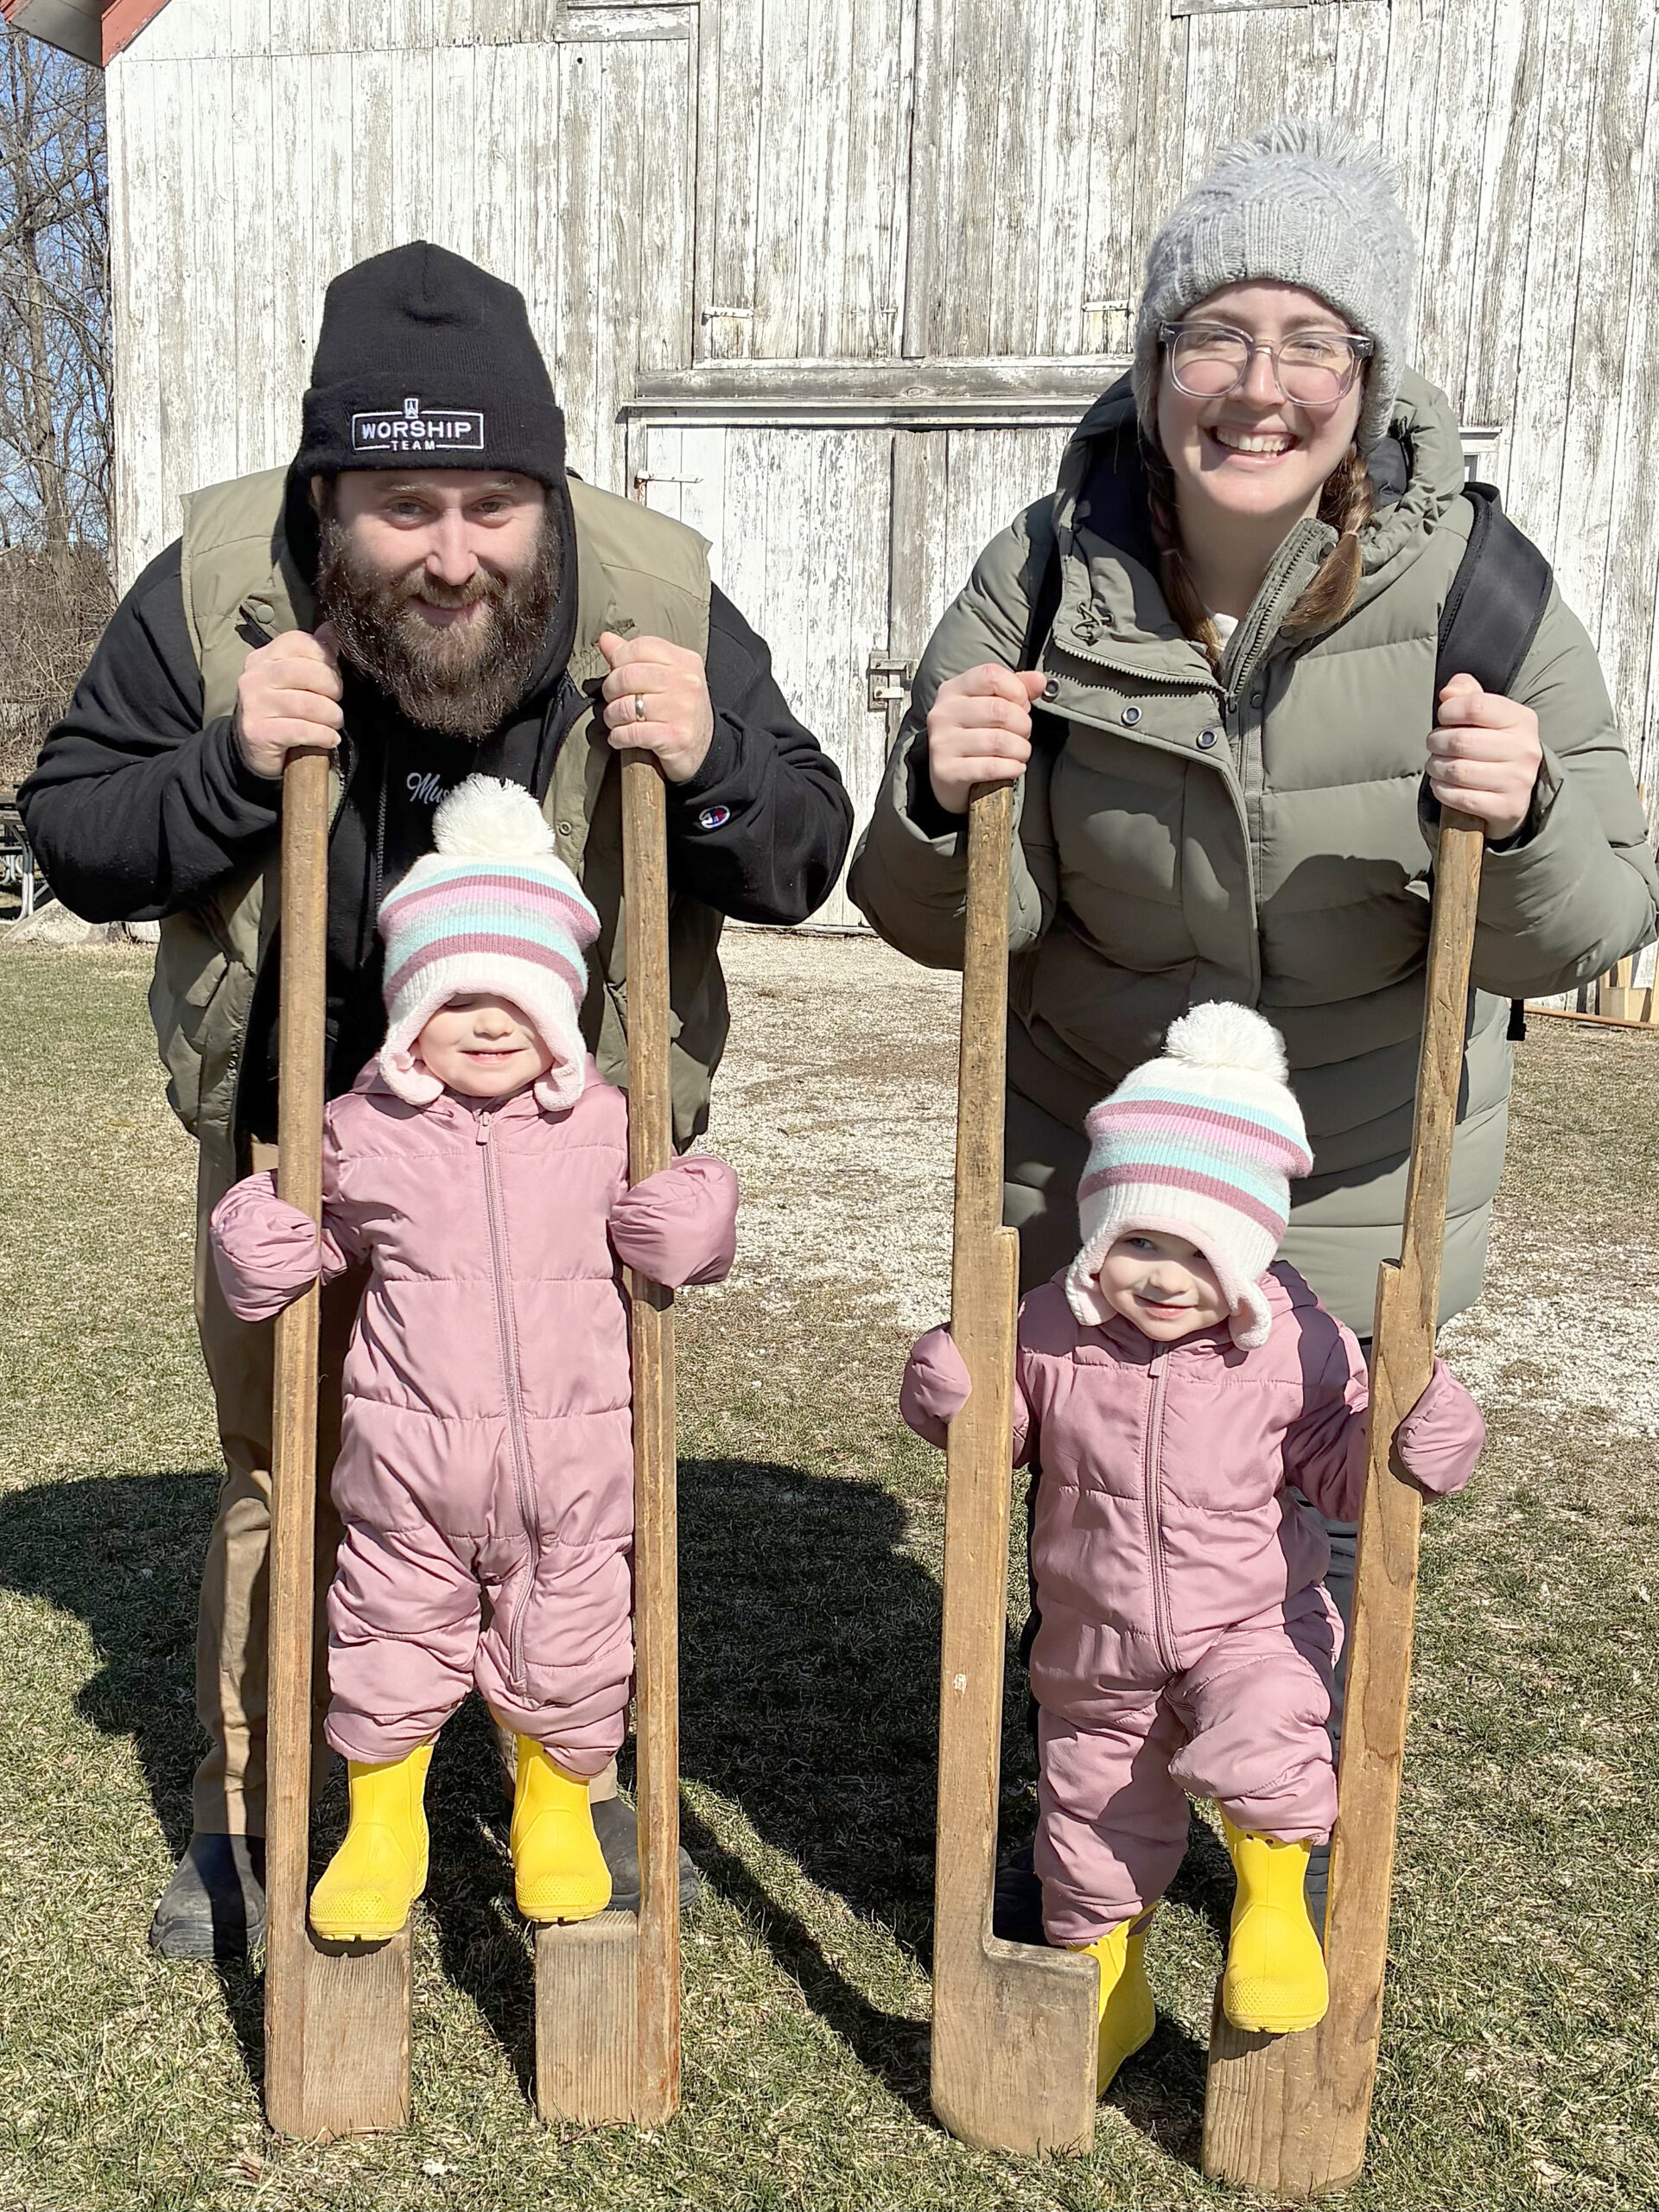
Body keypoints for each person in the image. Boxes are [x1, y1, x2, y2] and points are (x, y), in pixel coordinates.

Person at [849, 117, 1656, 1923]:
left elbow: (1600, 911)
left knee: (1317, 1542)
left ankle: (1286, 1826)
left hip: (1359, 1159)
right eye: (1216, 335)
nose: (1259, 384)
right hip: (1099, 1138)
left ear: (1367, 378)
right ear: (1153, 373)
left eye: (1310, 341)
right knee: (1102, 1505)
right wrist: (937, 791)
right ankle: (1093, 1814)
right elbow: (923, 917)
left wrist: (1520, 818)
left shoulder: (1486, 595)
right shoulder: (1050, 570)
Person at [20, 241, 852, 1958]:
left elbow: (806, 851)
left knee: (576, 1463)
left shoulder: (661, 592)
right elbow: (73, 834)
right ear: (331, 496)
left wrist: (714, 767)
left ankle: (574, 1762)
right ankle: (255, 1807)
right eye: (406, 505)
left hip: (571, 1133)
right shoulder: (209, 591)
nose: (455, 550)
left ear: (546, 491)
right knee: (291, 1463)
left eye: (492, 501)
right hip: (305, 1122)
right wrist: (222, 765)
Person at [899, 1003, 1484, 2089]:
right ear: (1098, 1232)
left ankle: (1270, 1908)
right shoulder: (1044, 1329)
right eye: (1140, 1243)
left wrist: (1417, 1439)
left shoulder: (1300, 1344)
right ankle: (1111, 1986)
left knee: (1270, 1735)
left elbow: (1347, 1473)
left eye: (1201, 1253)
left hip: (1250, 1621)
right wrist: (950, 1389)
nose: (1167, 1277)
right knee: (1089, 1826)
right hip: (1094, 1640)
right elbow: (992, 1442)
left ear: (1255, 1252)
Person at [209, 778, 738, 1941]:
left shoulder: (608, 1127)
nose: (490, 1022)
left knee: (577, 1646)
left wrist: (693, 1214)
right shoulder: (364, 1131)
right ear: (409, 1016)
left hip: (575, 1470)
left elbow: (691, 1230)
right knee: (388, 1642)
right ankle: (385, 1824)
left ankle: (554, 1811)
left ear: (561, 1011)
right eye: (458, 1001)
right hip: (409, 1474)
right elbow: (300, 1243)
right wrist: (258, 1239)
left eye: (520, 1000)